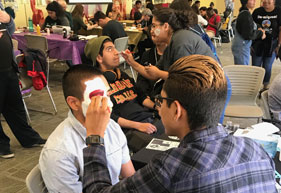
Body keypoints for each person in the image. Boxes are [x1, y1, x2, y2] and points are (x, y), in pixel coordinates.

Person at [82, 55, 277, 193]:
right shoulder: (256, 150)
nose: (158, 107)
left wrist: (95, 138)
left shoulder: (170, 168)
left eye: (161, 100)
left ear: (176, 110)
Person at [39, 65, 135, 192]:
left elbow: (130, 177)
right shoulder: (59, 152)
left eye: (108, 95)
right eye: (99, 98)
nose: (110, 104)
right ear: (74, 103)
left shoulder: (112, 127)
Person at [84, 36, 165, 152]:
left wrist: (156, 107)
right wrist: (137, 125)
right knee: (157, 150)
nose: (116, 53)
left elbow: (141, 96)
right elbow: (109, 117)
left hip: (149, 118)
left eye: (115, 48)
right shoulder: (96, 85)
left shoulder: (122, 75)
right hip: (129, 128)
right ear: (99, 58)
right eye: (109, 49)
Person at [0, 3, 46, 158]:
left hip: (8, 66)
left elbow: (10, 31)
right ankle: (2, 146)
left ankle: (28, 138)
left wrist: (8, 20)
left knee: (15, 107)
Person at [252, 0, 281, 90]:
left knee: (267, 66)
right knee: (256, 66)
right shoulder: (257, 12)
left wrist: (279, 45)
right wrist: (250, 45)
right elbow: (251, 28)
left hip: (272, 44)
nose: (266, 1)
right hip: (258, 43)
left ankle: (265, 86)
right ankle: (254, 87)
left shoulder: (279, 11)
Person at [231, 0, 265, 65]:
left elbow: (250, 25)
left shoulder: (245, 13)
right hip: (242, 47)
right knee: (242, 70)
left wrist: (258, 27)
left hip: (241, 46)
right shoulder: (245, 14)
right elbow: (248, 35)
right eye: (252, 0)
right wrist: (260, 33)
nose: (254, 1)